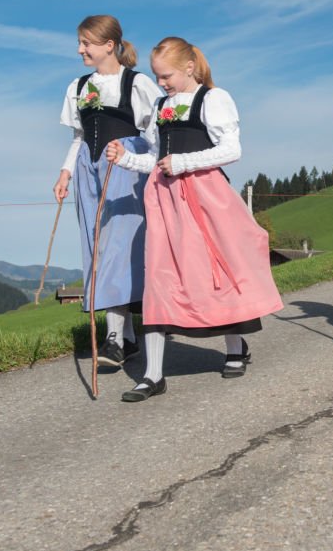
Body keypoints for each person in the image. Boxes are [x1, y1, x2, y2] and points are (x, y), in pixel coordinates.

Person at [106, 37, 283, 402]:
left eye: (166, 76)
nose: (162, 84)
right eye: (157, 77)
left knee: (217, 271)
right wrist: (125, 157)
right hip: (165, 200)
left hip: (206, 199)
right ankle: (153, 374)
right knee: (159, 276)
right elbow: (156, 158)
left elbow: (231, 150)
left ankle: (235, 347)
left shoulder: (213, 99)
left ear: (189, 67)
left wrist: (185, 163)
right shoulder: (161, 105)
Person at [54, 15, 161, 368]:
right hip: (89, 167)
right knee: (97, 246)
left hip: (125, 167)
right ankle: (127, 338)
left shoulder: (138, 83)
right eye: (80, 42)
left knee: (117, 248)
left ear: (108, 45)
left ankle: (114, 339)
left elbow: (155, 134)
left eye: (86, 42)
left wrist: (137, 160)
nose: (80, 49)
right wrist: (66, 171)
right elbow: (79, 137)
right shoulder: (79, 86)